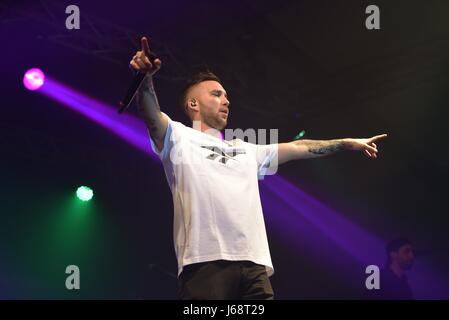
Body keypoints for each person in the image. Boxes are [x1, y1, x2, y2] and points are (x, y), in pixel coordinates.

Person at [130, 36, 388, 299]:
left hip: (254, 267)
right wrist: (144, 78)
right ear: (193, 104)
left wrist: (345, 143)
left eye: (226, 96)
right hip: (203, 262)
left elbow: (299, 147)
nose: (226, 101)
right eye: (216, 94)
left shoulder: (247, 150)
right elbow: (151, 115)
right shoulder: (179, 136)